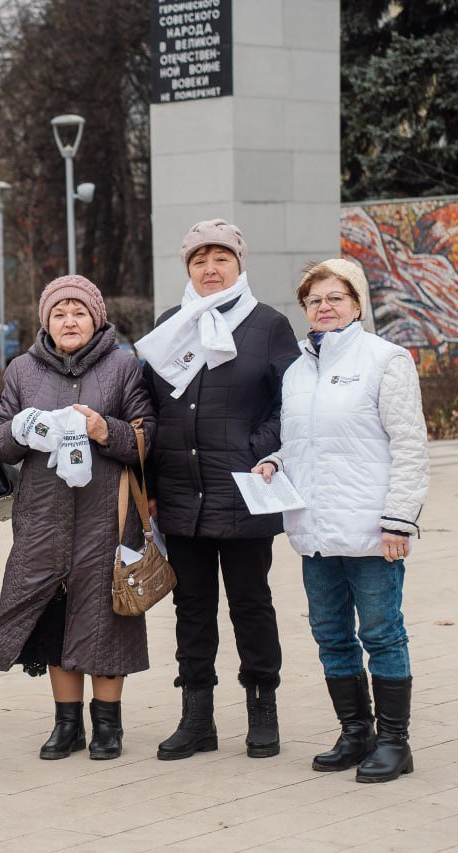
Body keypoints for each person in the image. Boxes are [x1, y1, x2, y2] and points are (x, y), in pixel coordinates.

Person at [252, 258, 428, 783]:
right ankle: (356, 732)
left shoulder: (386, 359)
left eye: (335, 298)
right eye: (314, 300)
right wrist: (275, 463)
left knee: (382, 633)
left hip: (372, 531)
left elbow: (410, 445)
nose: (324, 307)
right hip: (315, 531)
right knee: (330, 635)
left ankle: (395, 743)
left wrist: (400, 520)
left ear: (356, 303)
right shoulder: (298, 370)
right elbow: (299, 442)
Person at [135, 219, 299, 760]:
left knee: (251, 604)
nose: (210, 268)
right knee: (192, 607)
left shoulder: (269, 325)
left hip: (245, 491)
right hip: (182, 495)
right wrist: (152, 486)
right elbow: (151, 410)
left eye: (220, 257)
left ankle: (262, 709)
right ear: (187, 269)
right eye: (199, 259)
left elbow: (291, 405)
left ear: (239, 264)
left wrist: (259, 448)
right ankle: (197, 719)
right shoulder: (169, 325)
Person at [0, 275, 155, 761]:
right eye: (59, 313)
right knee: (54, 618)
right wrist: (20, 429)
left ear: (96, 318)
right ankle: (65, 724)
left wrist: (105, 430)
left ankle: (108, 727)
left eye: (79, 312)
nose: (69, 321)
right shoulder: (21, 370)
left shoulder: (124, 367)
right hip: (43, 518)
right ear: (46, 322)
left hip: (107, 517)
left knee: (107, 616)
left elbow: (146, 436)